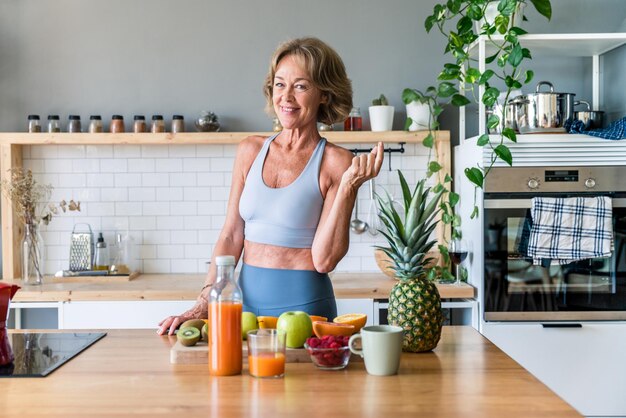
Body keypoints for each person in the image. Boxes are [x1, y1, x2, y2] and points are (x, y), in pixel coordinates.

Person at [158, 37, 384, 335]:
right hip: (245, 307)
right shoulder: (250, 150)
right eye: (280, 84)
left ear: (325, 94)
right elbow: (230, 234)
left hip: (306, 309)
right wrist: (204, 302)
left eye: (301, 86)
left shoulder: (336, 162)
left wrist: (349, 187)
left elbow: (325, 259)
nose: (286, 97)